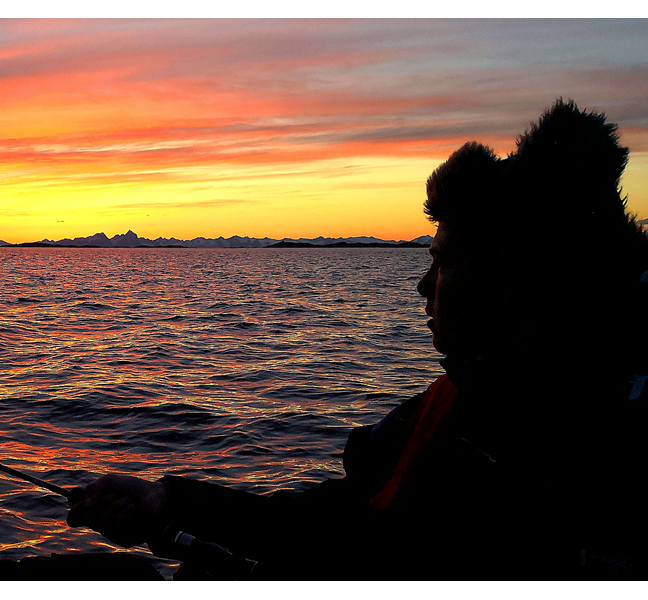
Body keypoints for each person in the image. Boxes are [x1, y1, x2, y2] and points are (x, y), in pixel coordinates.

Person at [66, 100, 647, 584]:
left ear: (513, 283)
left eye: (441, 265)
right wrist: (167, 505)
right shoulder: (458, 402)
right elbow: (343, 520)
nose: (422, 286)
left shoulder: (621, 428)